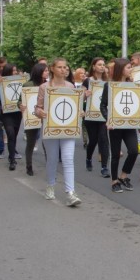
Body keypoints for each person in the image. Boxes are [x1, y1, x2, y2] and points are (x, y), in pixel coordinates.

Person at [34, 58, 82, 207]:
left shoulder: (70, 86)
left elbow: (74, 106)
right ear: (52, 69)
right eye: (60, 67)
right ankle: (50, 185)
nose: (63, 70)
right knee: (52, 159)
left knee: (68, 159)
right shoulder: (44, 87)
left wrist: (80, 112)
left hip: (68, 127)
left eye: (65, 67)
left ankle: (70, 193)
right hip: (51, 128)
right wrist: (40, 112)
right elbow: (37, 108)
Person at [100, 58, 139, 193]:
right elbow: (103, 105)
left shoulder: (133, 85)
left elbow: (137, 103)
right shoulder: (109, 85)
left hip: (129, 124)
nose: (131, 70)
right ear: (121, 69)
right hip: (115, 125)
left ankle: (124, 176)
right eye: (128, 67)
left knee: (134, 151)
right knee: (115, 154)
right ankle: (114, 181)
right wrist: (108, 120)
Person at [18, 63, 48, 176]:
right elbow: (20, 101)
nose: (47, 72)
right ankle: (29, 166)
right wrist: (20, 105)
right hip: (31, 116)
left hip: (44, 116)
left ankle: (49, 165)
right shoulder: (27, 85)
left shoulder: (48, 84)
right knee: (30, 142)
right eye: (45, 70)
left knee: (46, 142)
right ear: (39, 72)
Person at [82, 57, 110, 178]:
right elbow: (79, 99)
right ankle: (88, 158)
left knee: (103, 139)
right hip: (90, 115)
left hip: (103, 115)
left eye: (103, 65)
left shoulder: (108, 82)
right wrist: (84, 95)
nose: (102, 67)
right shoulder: (87, 81)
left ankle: (104, 167)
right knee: (93, 140)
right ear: (93, 67)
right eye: (99, 64)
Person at [0, 63, 23, 171]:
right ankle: (12, 160)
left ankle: (11, 154)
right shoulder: (1, 82)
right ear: (8, 72)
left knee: (14, 135)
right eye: (13, 71)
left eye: (16, 70)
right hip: (6, 112)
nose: (15, 73)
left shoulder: (20, 81)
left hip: (17, 112)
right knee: (10, 134)